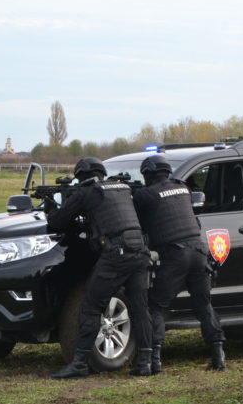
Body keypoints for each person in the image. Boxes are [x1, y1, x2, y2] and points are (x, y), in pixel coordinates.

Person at [46, 157, 153, 379]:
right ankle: (146, 362)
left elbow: (57, 222)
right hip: (140, 252)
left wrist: (51, 204)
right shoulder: (123, 187)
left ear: (80, 176)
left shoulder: (86, 192)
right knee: (140, 308)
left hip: (116, 255)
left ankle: (80, 364)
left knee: (91, 307)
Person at [133, 154, 226, 374]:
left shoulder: (145, 194)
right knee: (204, 305)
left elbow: (137, 222)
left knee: (156, 306)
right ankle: (218, 356)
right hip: (199, 251)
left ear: (148, 173)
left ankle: (155, 361)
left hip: (175, 255)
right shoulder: (183, 188)